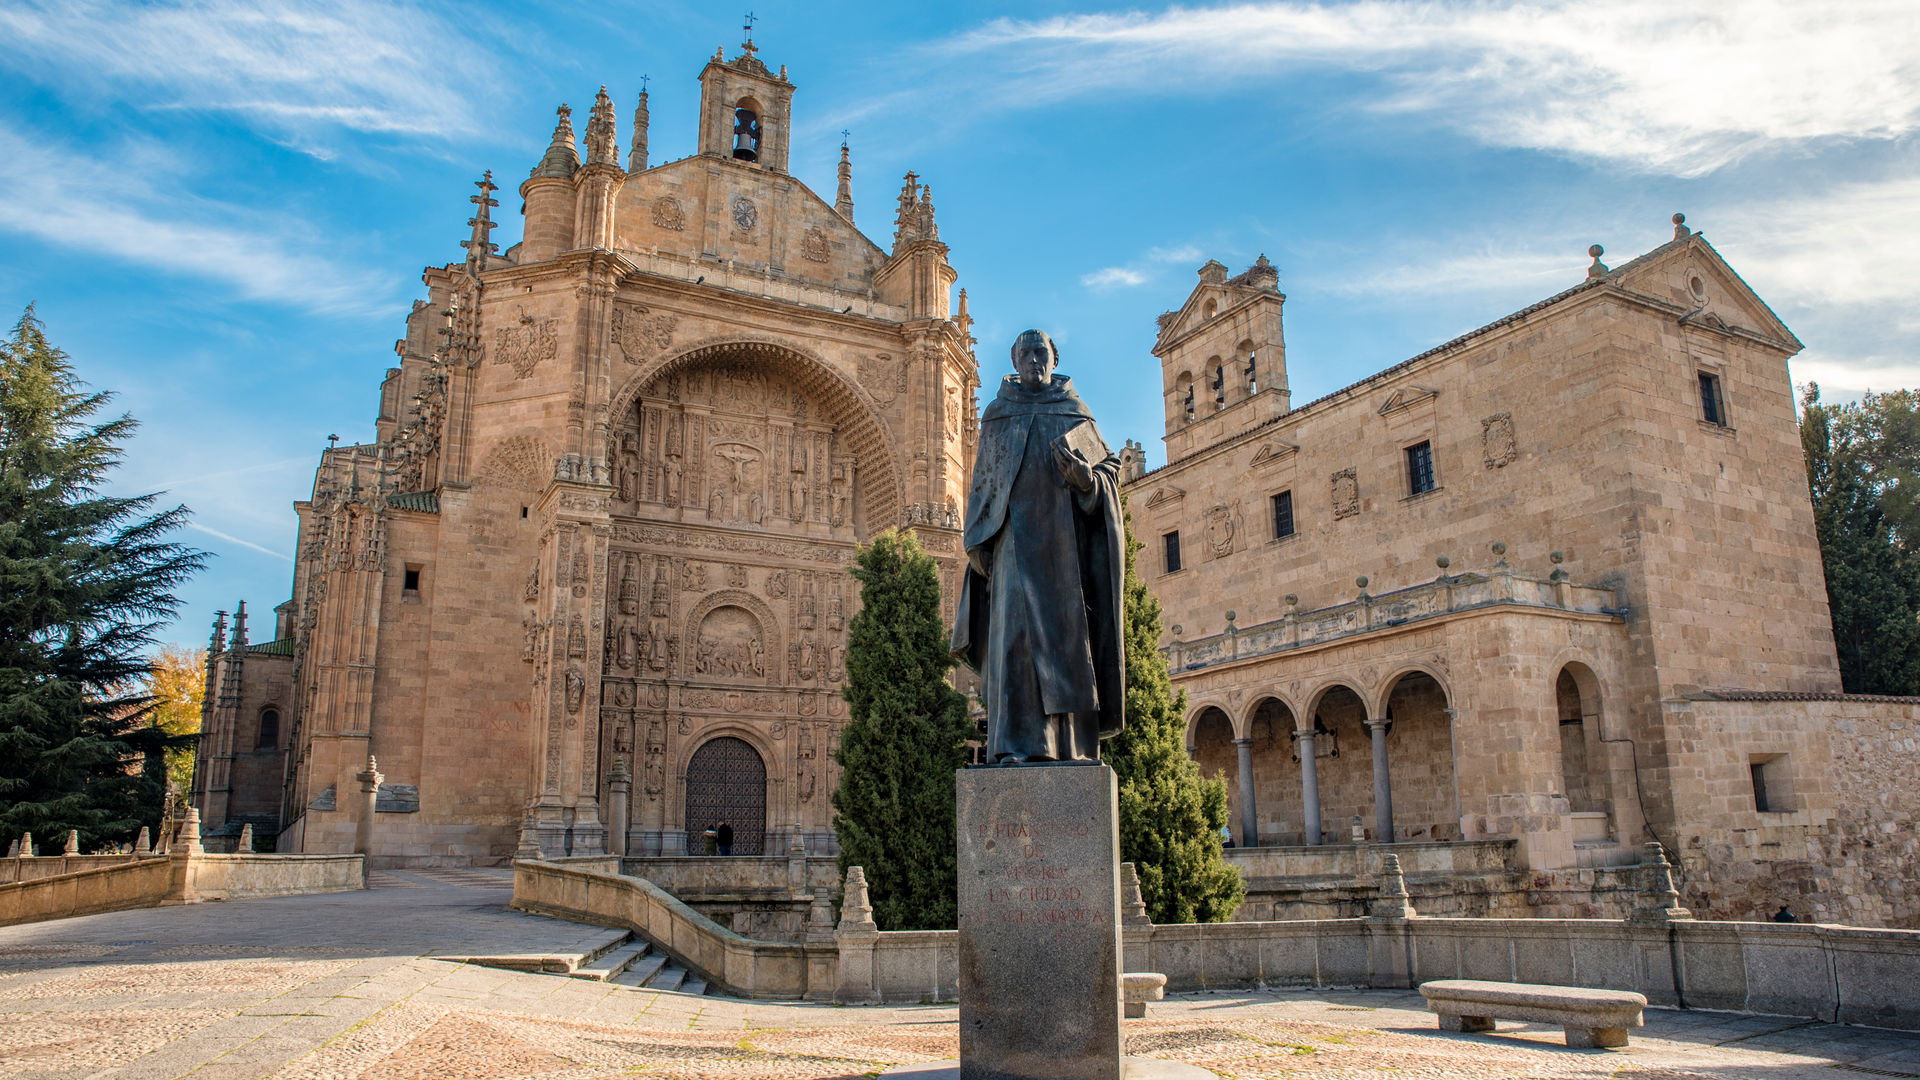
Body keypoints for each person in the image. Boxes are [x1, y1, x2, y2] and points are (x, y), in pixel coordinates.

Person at [952, 329, 1126, 763]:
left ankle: (1069, 748)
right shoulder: (997, 414)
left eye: (1041, 352)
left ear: (1054, 358)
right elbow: (981, 485)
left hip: (1064, 547)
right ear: (1014, 361)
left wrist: (1088, 481)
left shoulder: (1074, 412)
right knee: (1014, 644)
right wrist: (978, 542)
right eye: (1026, 353)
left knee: (1065, 647)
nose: (1034, 360)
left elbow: (1110, 469)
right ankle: (1014, 746)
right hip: (1011, 545)